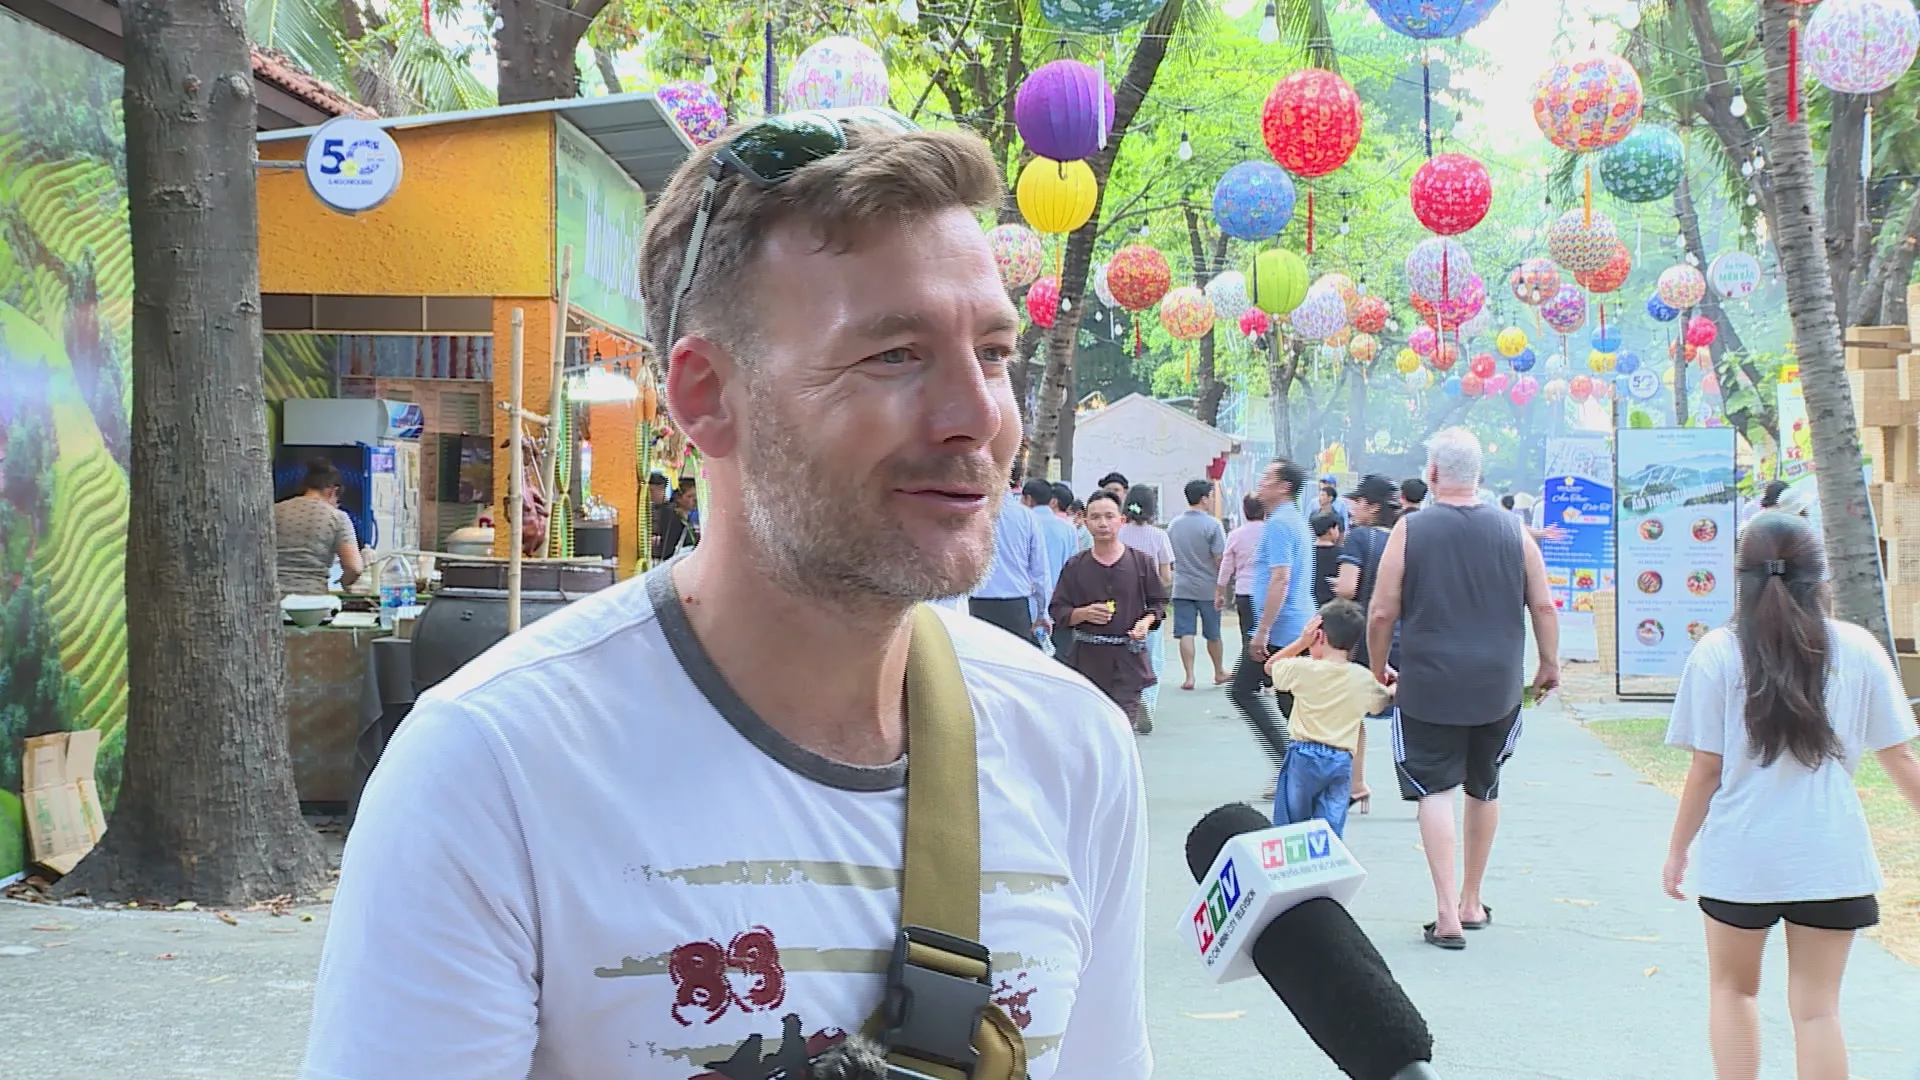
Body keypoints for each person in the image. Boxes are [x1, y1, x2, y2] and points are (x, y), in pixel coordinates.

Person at [302, 109, 1149, 1079]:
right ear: (706, 395)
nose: (978, 417)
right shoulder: (493, 769)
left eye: (993, 352)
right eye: (894, 354)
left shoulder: (1071, 747)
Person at [1662, 512, 1920, 1080]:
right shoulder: (1858, 649)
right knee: (1818, 1011)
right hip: (1831, 858)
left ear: (1741, 576)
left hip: (1741, 858)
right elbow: (1899, 757)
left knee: (1733, 992)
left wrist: (1678, 851)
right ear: (1820, 575)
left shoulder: (1716, 653)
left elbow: (1707, 769)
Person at [1366, 428, 1559, 950]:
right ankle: (1473, 900)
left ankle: (1446, 913)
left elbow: (1382, 611)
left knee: (1434, 790)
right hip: (1497, 686)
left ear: (1432, 474)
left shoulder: (1411, 530)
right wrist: (1548, 663)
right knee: (1484, 784)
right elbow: (1543, 604)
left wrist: (1379, 666)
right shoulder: (1513, 530)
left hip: (1428, 683)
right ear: (1479, 476)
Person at [1265, 600, 1393, 838]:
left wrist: (1301, 642)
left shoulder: (1303, 668)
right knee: (1329, 830)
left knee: (1291, 827)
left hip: (1303, 754)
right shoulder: (1361, 677)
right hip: (1341, 758)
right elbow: (1380, 703)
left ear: (1319, 636)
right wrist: (1392, 686)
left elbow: (1271, 666)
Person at [1051, 491, 1168, 732]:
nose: (1102, 523)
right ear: (1085, 522)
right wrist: (1082, 614)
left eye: (1109, 516)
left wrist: (1145, 622)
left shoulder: (1141, 562)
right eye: (1095, 517)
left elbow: (1158, 603)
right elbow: (1058, 610)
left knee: (1121, 729)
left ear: (1121, 520)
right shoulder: (1075, 566)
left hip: (1129, 659)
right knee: (1093, 730)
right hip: (1087, 660)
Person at [1235, 459, 1314, 778]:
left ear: (1285, 487)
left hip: (1284, 628)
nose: (1261, 482)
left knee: (1247, 691)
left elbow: (1281, 578)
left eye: (1268, 478)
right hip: (1292, 625)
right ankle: (1298, 765)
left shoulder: (1281, 524)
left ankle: (1295, 766)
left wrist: (1262, 630)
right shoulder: (1289, 520)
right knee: (1288, 701)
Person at [1332, 473, 1402, 815]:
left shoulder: (1359, 538)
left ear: (1372, 507)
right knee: (1410, 714)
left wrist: (1335, 588)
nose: (1353, 507)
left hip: (1364, 636)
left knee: (1352, 710)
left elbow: (1348, 587)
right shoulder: (1406, 539)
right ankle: (1424, 788)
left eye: (1358, 502)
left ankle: (1356, 783)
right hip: (1407, 635)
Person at [971, 461, 1051, 644]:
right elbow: (1040, 572)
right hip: (1015, 606)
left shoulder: (972, 511)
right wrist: (1042, 613)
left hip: (977, 603)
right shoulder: (1026, 517)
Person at [1118, 486, 1175, 732]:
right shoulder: (1159, 536)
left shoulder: (1118, 533)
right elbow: (1167, 576)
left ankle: (1126, 706)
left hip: (1120, 603)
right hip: (1149, 606)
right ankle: (1148, 702)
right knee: (1153, 657)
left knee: (1123, 656)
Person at [1168, 479, 1230, 690]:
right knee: (1213, 632)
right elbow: (1219, 558)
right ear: (1204, 499)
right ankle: (1218, 671)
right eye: (1212, 496)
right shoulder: (1213, 525)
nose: (1213, 500)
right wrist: (1222, 584)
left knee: (1186, 632)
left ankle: (1189, 676)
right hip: (1208, 587)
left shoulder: (1174, 525)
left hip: (1182, 585)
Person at [274, 457, 364, 598]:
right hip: (312, 599)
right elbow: (354, 567)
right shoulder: (337, 517)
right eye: (337, 501)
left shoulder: (275, 510)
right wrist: (344, 583)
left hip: (273, 597)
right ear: (332, 491)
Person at [1026, 477, 1080, 657]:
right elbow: (1074, 567)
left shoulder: (1025, 524)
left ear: (1028, 499)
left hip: (1029, 605)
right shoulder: (1069, 529)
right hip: (1061, 604)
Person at [1218, 493, 1268, 668]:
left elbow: (1226, 566)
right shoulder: (1273, 533)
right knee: (1271, 634)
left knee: (1248, 634)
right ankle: (1268, 674)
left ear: (1245, 510)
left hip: (1245, 591)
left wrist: (1220, 592)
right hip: (1270, 592)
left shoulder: (1235, 535)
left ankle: (1250, 671)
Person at [1309, 511, 1344, 608]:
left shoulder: (1306, 552)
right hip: (1332, 606)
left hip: (1309, 603)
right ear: (1331, 530)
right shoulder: (1342, 554)